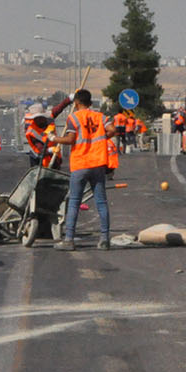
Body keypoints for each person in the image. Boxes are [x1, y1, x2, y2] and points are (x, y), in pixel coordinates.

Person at [55, 88, 116, 251]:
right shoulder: (100, 117)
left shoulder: (73, 118)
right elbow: (112, 130)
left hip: (81, 163)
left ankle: (69, 240)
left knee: (74, 202)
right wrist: (102, 140)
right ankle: (104, 239)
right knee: (101, 202)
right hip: (98, 163)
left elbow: (70, 139)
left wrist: (54, 139)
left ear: (76, 103)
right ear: (90, 102)